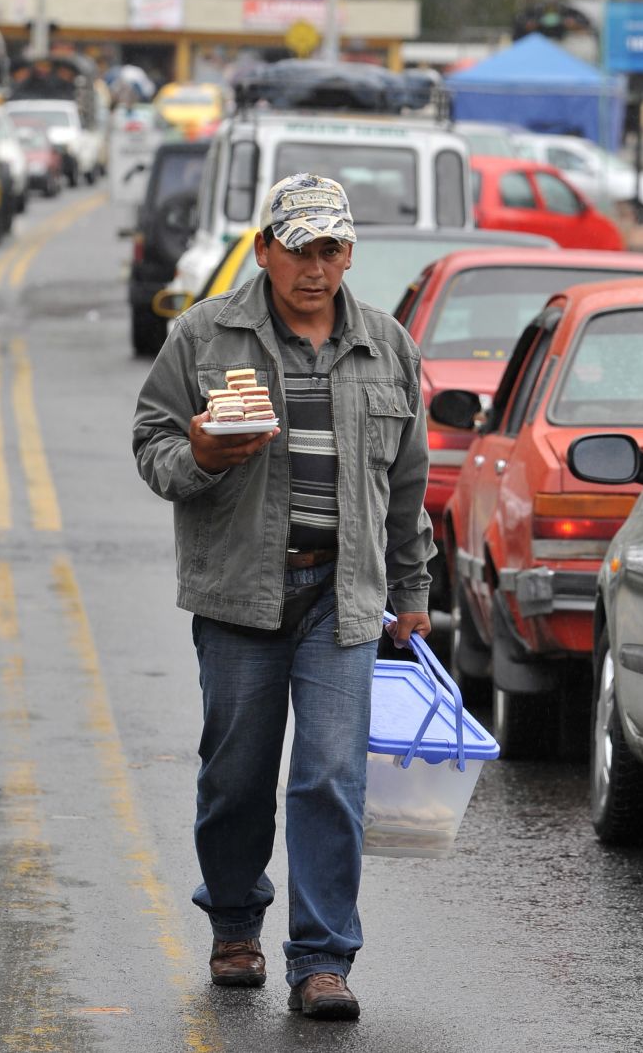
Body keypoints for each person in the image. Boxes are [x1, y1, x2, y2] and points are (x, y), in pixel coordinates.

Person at [133, 173, 432, 1022]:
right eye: (298, 248)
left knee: (332, 776)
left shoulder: (387, 345)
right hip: (238, 596)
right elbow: (151, 442)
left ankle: (322, 960)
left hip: (343, 599)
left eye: (331, 249)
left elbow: (406, 484)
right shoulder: (204, 334)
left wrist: (411, 589)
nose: (315, 267)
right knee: (235, 777)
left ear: (348, 255)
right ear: (265, 249)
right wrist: (202, 456)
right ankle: (234, 926)